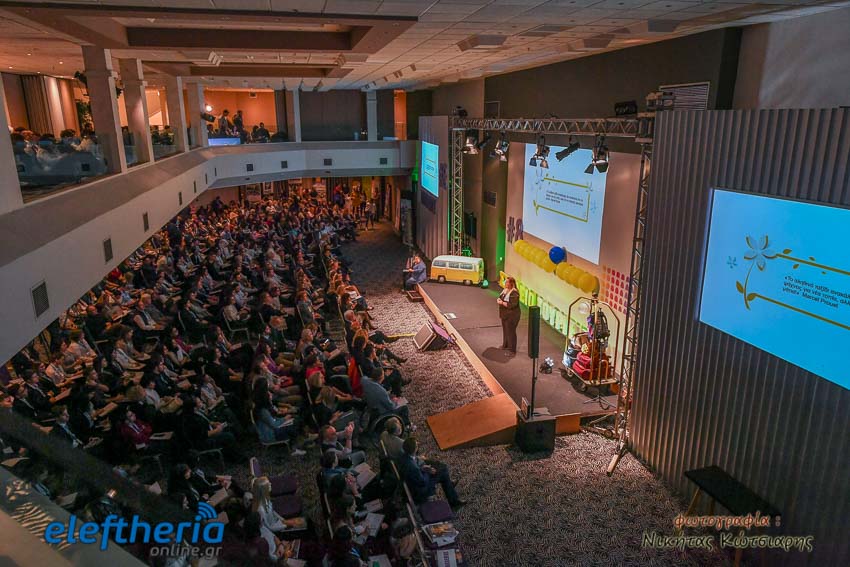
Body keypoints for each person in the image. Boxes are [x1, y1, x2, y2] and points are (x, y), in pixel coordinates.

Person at [399, 437, 465, 509]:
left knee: (443, 472)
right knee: (444, 472)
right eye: (417, 445)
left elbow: (415, 467)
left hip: (413, 483)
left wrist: (422, 468)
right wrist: (427, 471)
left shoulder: (403, 456)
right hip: (421, 490)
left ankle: (450, 489)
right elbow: (423, 482)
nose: (418, 444)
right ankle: (454, 500)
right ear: (415, 449)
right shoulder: (414, 467)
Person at [498, 276, 521, 355]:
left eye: (507, 282)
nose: (505, 283)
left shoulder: (514, 292)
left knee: (511, 332)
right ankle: (505, 345)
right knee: (505, 330)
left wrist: (502, 303)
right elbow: (501, 297)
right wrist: (499, 299)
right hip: (505, 314)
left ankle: (512, 350)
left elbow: (512, 305)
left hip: (512, 316)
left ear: (512, 283)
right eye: (505, 281)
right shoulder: (505, 290)